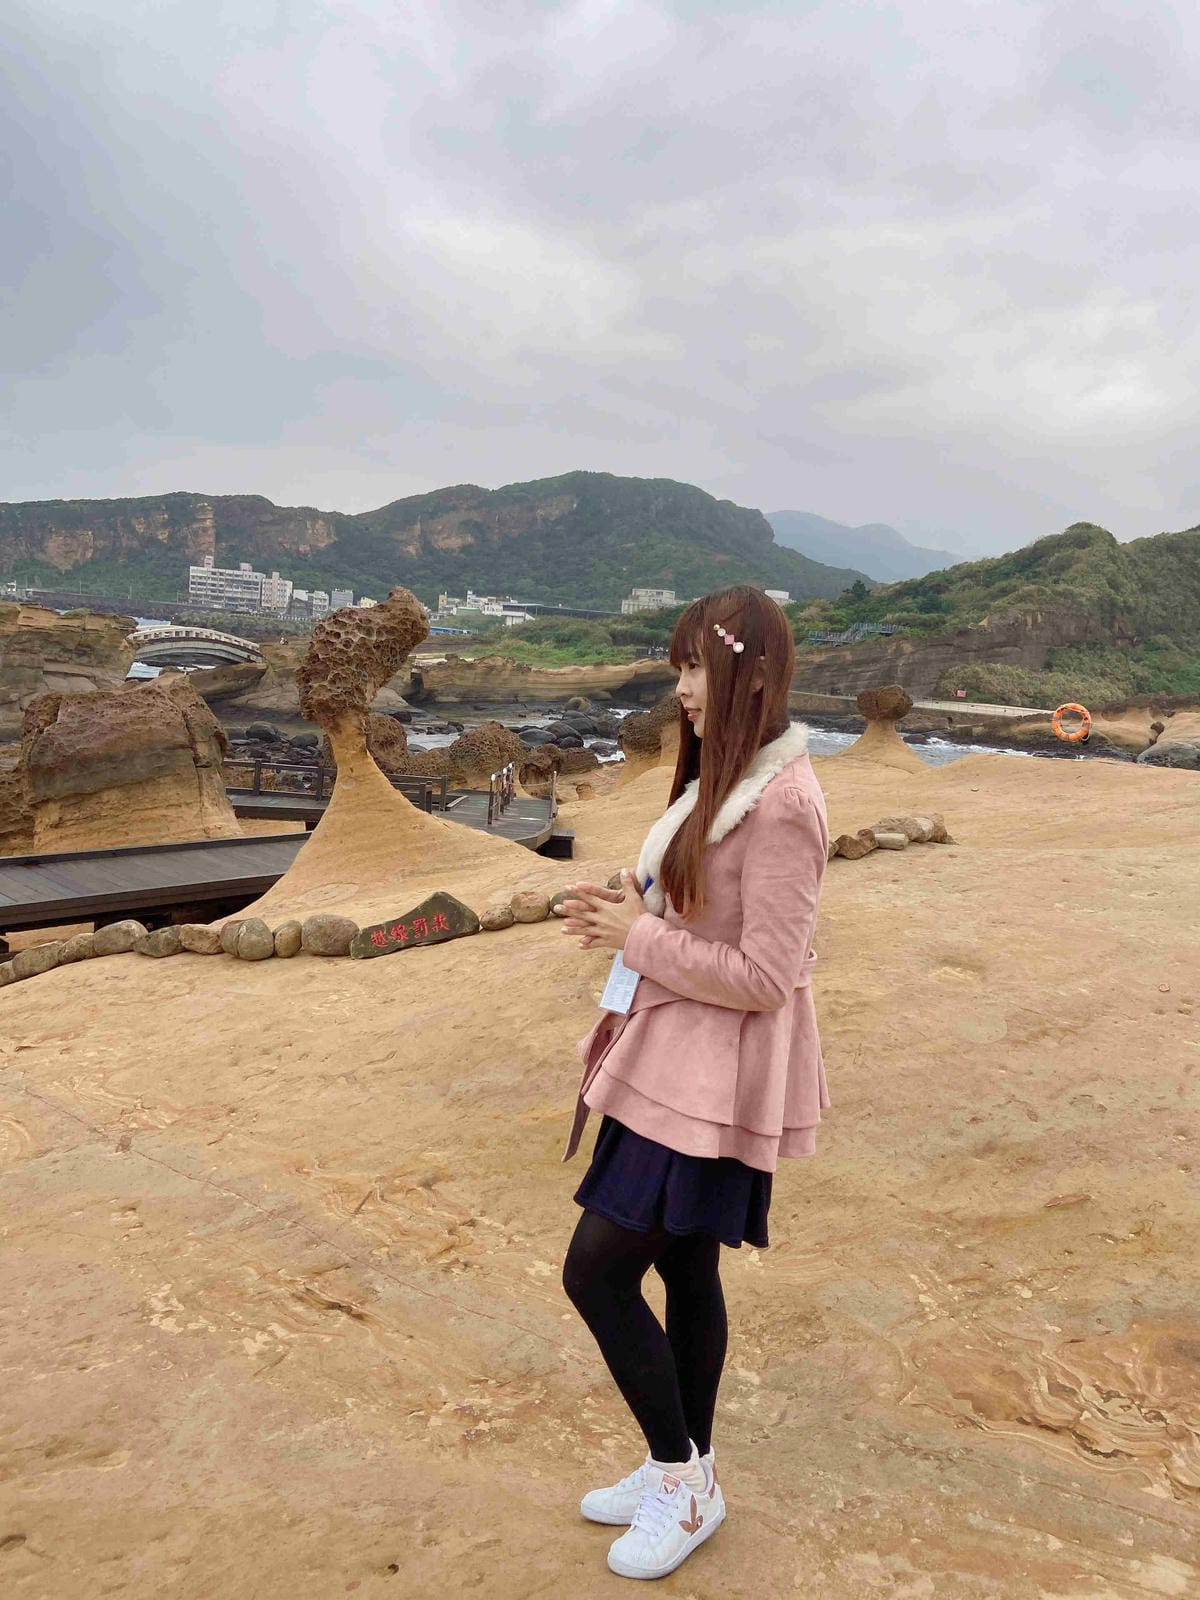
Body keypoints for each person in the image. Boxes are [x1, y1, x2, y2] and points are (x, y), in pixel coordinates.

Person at [559, 585, 830, 1582]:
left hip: (713, 1079)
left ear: (748, 676)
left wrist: (636, 936)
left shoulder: (785, 803)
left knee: (595, 1272)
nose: (680, 688)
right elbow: (692, 908)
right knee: (684, 1269)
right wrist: (622, 907)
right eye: (677, 667)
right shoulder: (725, 777)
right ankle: (686, 1466)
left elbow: (766, 976)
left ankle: (681, 1478)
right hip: (673, 1058)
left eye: (694, 667)